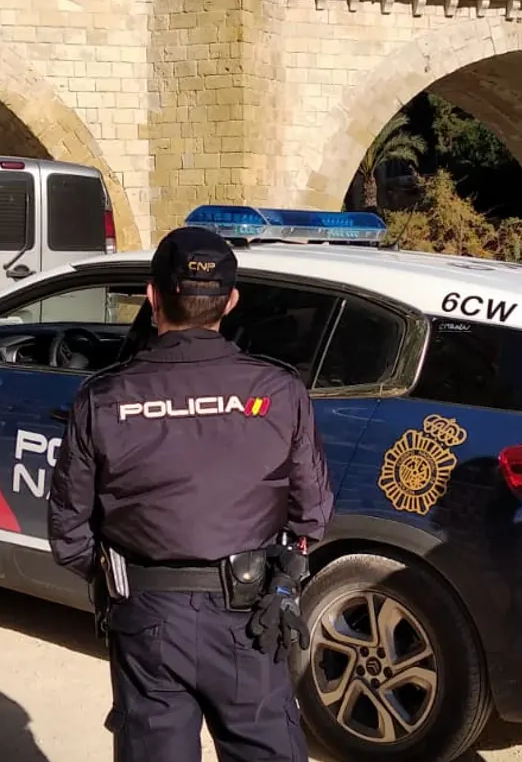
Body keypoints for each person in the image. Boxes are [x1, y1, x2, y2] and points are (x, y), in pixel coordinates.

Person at [48, 225, 334, 762]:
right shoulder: (279, 390)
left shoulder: (104, 396)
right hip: (250, 616)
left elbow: (68, 533)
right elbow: (312, 513)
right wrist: (284, 576)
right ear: (231, 301)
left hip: (146, 615)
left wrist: (125, 581)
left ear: (152, 297)